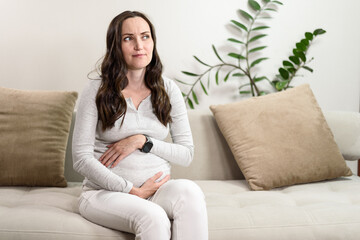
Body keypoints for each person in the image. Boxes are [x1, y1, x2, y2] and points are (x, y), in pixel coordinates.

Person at [72, 10, 208, 240]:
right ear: (116, 45)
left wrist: (143, 141)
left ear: (153, 42)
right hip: (103, 193)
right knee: (154, 217)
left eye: (145, 36)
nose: (139, 45)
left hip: (157, 191)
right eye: (128, 38)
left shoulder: (168, 89)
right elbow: (81, 157)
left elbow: (186, 154)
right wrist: (130, 189)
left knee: (191, 193)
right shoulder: (97, 90)